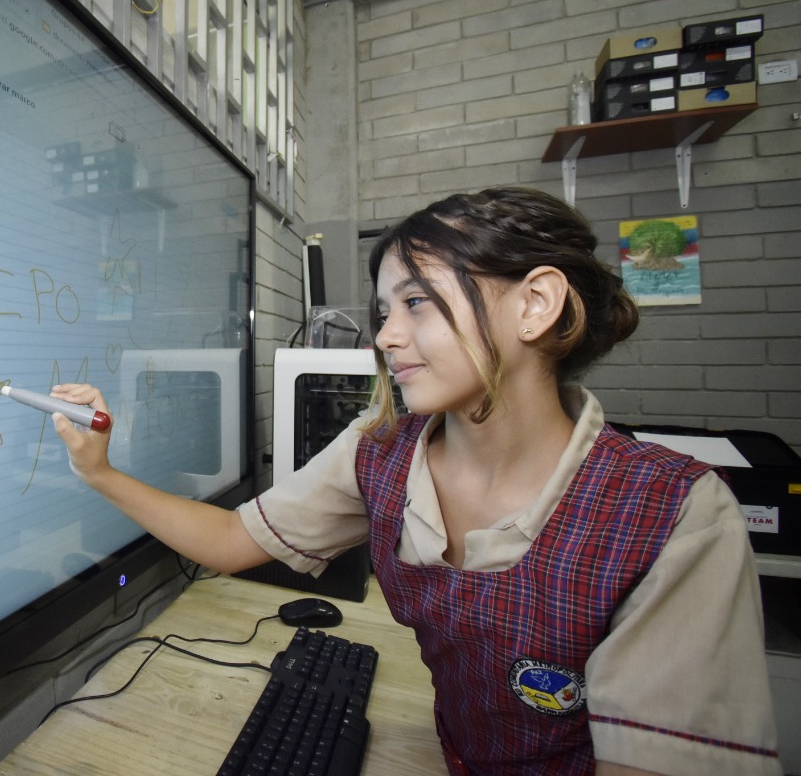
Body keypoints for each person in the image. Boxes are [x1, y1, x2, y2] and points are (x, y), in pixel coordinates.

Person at [51, 187, 781, 776]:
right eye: (383, 311)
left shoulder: (673, 514)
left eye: (417, 303)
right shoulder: (383, 453)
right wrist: (101, 472)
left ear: (536, 304)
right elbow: (232, 540)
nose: (386, 336)